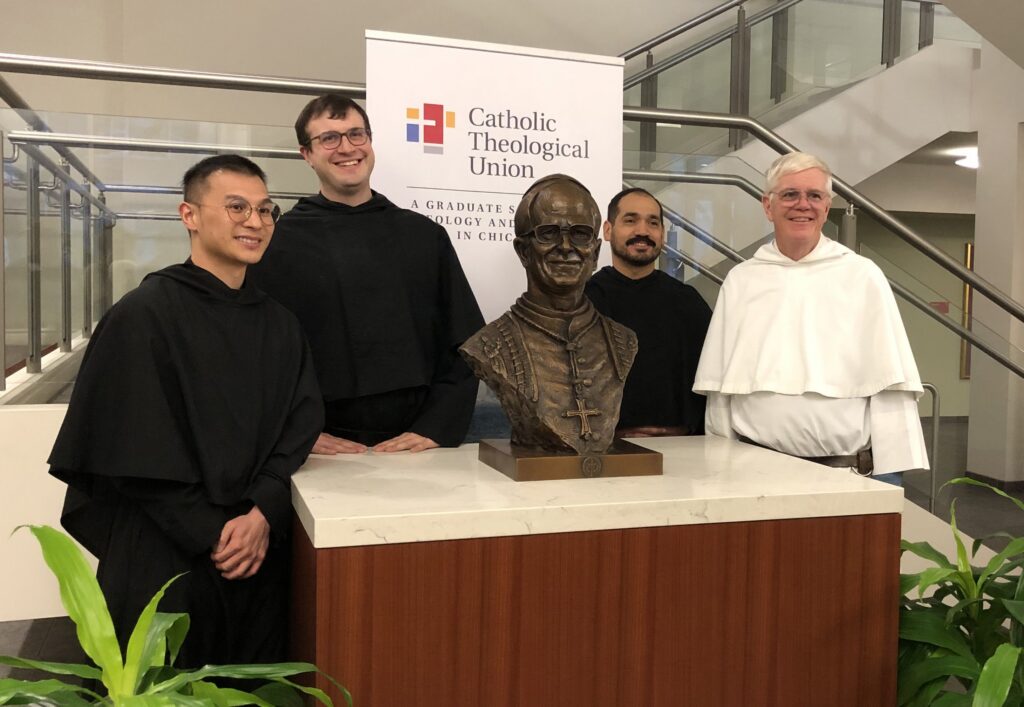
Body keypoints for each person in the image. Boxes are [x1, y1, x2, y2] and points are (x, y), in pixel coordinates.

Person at [48, 155, 324, 666]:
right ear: (189, 215)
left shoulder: (281, 325)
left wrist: (263, 511)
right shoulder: (143, 314)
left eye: (266, 210)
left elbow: (299, 424)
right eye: (236, 206)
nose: (255, 222)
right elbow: (131, 442)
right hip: (165, 555)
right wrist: (213, 532)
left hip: (257, 552)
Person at [249, 94, 484, 455]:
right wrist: (296, 431)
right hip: (318, 446)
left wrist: (437, 426)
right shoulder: (277, 244)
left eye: (356, 134)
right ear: (306, 154)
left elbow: (466, 342)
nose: (346, 148)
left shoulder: (424, 236)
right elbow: (257, 356)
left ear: (370, 143)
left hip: (419, 444)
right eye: (329, 138)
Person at [693, 152, 928, 482]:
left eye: (814, 195)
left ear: (827, 205)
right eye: (790, 194)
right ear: (767, 205)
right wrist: (717, 464)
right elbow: (720, 390)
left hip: (845, 475)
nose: (802, 204)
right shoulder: (741, 281)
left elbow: (890, 386)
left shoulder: (862, 276)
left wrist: (891, 477)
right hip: (752, 474)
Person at [460, 174, 638, 454]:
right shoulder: (488, 346)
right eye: (548, 233)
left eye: (580, 234)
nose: (566, 247)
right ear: (523, 251)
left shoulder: (623, 341)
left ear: (594, 252)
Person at [585, 187, 712, 437]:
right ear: (608, 231)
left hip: (683, 451)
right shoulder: (584, 301)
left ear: (662, 234)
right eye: (630, 220)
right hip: (603, 448)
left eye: (652, 223)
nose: (642, 231)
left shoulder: (688, 303)